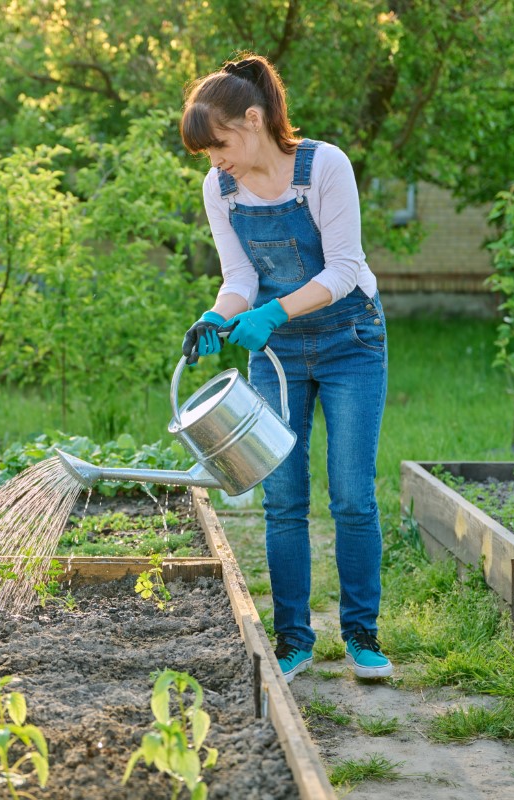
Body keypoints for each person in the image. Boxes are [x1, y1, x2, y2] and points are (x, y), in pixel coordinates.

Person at [179, 54, 392, 681]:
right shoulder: (219, 188)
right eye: (207, 153)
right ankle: (294, 640)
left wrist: (270, 312)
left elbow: (346, 269)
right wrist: (219, 316)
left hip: (352, 339)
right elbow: (239, 278)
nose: (214, 161)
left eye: (219, 145)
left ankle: (362, 638)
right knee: (283, 497)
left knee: (352, 496)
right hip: (276, 357)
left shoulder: (324, 166)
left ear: (253, 120)